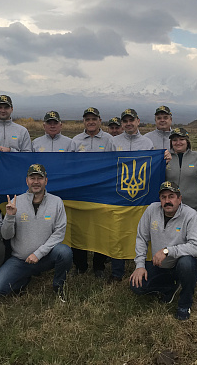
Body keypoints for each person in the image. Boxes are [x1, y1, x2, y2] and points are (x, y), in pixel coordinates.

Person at [0, 164, 73, 301]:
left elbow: (59, 233)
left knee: (64, 252)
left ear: (46, 180)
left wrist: (38, 254)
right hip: (21, 259)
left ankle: (58, 286)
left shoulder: (56, 202)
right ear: (26, 180)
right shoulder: (17, 202)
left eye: (39, 178)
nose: (35, 182)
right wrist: (9, 216)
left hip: (46, 257)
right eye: (32, 178)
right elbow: (6, 235)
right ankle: (24, 278)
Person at [129, 181, 197, 321]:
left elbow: (196, 247)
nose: (167, 201)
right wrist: (139, 265)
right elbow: (141, 238)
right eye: (163, 197)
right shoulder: (151, 210)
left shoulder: (191, 215)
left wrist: (167, 251)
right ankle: (170, 287)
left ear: (179, 199)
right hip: (161, 265)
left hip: (182, 263)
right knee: (136, 285)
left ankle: (185, 303)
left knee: (186, 264)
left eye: (171, 196)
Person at [107, 109, 154, 282]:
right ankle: (117, 271)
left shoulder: (147, 143)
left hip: (141, 196)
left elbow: (152, 168)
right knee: (117, 231)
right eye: (125, 121)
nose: (128, 123)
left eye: (131, 120)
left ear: (138, 121)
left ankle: (142, 266)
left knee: (142, 231)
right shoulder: (114, 142)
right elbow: (109, 166)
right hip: (119, 194)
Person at [68, 107, 114, 277]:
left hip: (102, 191)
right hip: (80, 191)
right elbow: (69, 165)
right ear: (84, 122)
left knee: (101, 228)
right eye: (87, 119)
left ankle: (99, 265)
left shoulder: (109, 140)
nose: (91, 122)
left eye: (94, 119)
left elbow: (115, 164)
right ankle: (80, 265)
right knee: (79, 228)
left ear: (100, 120)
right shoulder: (75, 141)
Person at [165, 128, 197, 219]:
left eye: (181, 139)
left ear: (187, 141)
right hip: (171, 207)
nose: (178, 142)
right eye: (174, 140)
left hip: (194, 206)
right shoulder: (164, 158)